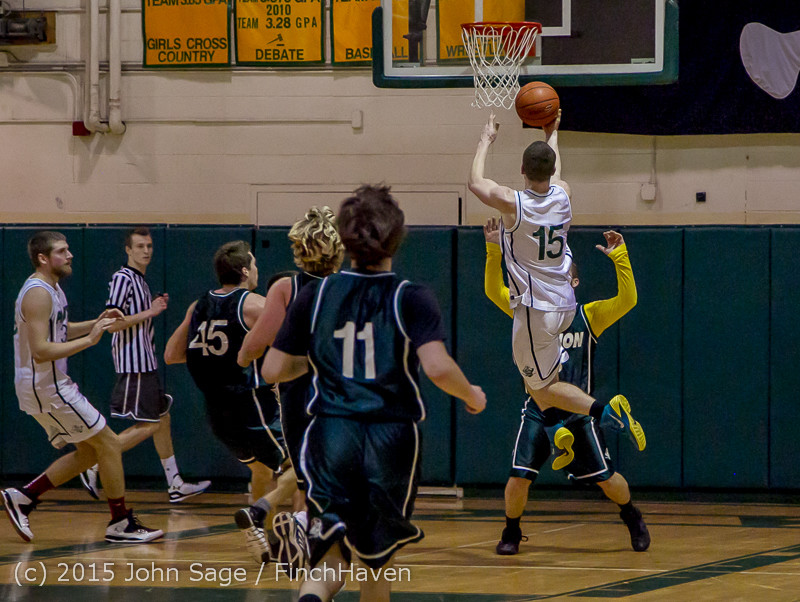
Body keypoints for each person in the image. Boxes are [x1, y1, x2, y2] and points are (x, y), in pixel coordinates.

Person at [262, 185, 486, 602]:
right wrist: (470, 393)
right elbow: (436, 367)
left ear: (345, 240)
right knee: (375, 565)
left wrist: (318, 361)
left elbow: (273, 368)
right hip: (389, 439)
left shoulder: (316, 294)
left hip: (329, 435)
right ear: (397, 237)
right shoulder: (410, 297)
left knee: (328, 559)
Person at [467, 110, 646, 450]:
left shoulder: (513, 204)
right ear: (550, 172)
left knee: (538, 389)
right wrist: (553, 134)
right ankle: (561, 433)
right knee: (544, 383)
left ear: (522, 170)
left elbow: (476, 182)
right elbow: (557, 171)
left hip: (537, 311)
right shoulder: (563, 194)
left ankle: (605, 410)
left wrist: (486, 140)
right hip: (565, 304)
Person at [484, 220, 650, 553]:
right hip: (538, 409)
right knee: (518, 478)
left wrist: (620, 256)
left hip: (578, 413)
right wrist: (493, 250)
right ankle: (511, 532)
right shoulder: (526, 311)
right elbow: (493, 290)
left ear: (571, 281)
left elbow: (628, 299)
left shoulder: (588, 316)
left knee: (607, 480)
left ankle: (632, 515)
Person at [1, 231, 163, 544]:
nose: (71, 254)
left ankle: (25, 496)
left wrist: (97, 321)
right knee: (109, 444)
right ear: (43, 258)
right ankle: (120, 521)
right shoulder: (37, 293)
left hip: (51, 383)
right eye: (62, 251)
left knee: (90, 452)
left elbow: (60, 329)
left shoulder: (53, 288)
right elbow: (40, 349)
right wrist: (89, 341)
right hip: (45, 385)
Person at [164, 240, 297, 565]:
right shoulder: (255, 304)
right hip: (252, 406)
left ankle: (261, 538)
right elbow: (288, 343)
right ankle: (275, 524)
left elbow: (171, 355)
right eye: (253, 264)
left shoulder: (197, 307)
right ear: (244, 270)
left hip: (217, 413)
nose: (256, 270)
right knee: (303, 467)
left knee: (262, 469)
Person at [237, 206, 344, 570]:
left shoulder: (286, 287)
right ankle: (312, 532)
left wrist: (245, 355)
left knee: (302, 473)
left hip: (299, 393)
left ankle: (303, 529)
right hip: (340, 395)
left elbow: (254, 350)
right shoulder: (349, 287)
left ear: (298, 250)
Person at [80, 227, 210, 503]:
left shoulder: (141, 280)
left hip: (146, 363)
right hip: (133, 364)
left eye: (149, 246)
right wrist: (150, 311)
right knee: (150, 424)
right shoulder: (123, 278)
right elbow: (111, 324)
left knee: (162, 419)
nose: (146, 251)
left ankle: (174, 482)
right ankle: (93, 464)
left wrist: (152, 306)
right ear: (128, 250)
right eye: (140, 246)